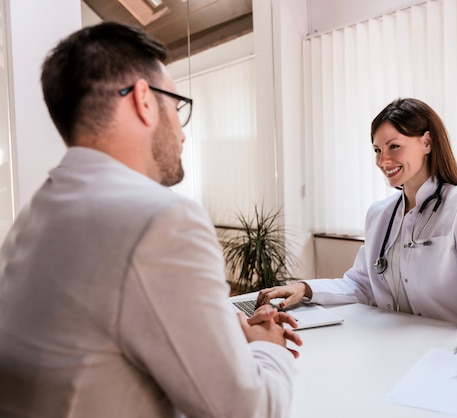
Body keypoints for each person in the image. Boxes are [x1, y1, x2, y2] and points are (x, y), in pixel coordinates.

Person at [0, 22, 302, 418]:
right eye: (177, 107)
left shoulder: (35, 215)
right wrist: (268, 345)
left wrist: (226, 330)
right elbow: (250, 411)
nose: (182, 134)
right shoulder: (162, 220)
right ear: (143, 99)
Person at [258, 98, 457, 359]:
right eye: (377, 150)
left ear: (427, 142)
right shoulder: (380, 213)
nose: (384, 160)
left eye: (394, 146)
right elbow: (360, 284)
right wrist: (305, 289)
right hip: (391, 346)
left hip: (451, 351)